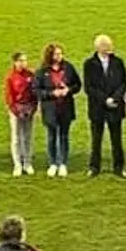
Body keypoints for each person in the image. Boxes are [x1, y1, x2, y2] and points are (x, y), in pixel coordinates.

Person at [83, 34, 126, 178]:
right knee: (96, 139)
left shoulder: (118, 62)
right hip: (98, 108)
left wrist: (115, 98)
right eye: (106, 46)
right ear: (99, 47)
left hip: (115, 106)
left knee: (117, 139)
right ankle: (94, 167)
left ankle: (119, 167)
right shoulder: (89, 64)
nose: (110, 48)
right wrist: (105, 99)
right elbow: (89, 87)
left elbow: (123, 83)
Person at [35, 43, 81, 178]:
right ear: (50, 55)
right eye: (56, 54)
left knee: (64, 136)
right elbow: (36, 90)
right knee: (51, 136)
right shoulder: (42, 71)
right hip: (50, 109)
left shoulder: (68, 68)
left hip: (65, 108)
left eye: (61, 53)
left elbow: (77, 84)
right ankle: (53, 163)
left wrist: (69, 90)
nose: (59, 56)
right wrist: (52, 94)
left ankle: (63, 163)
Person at [4, 52, 37, 177]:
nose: (24, 63)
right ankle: (17, 164)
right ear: (15, 62)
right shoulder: (10, 76)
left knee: (28, 136)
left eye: (25, 60)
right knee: (16, 138)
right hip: (16, 110)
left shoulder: (30, 75)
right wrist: (15, 110)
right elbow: (8, 95)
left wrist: (33, 107)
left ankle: (27, 163)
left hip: (28, 108)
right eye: (21, 60)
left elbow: (34, 92)